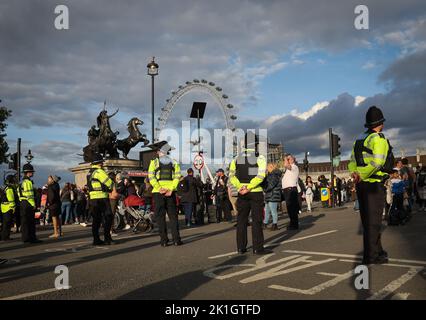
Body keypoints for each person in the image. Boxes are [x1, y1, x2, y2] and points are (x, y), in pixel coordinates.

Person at [349, 105, 394, 265]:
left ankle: (378, 251)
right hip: (374, 184)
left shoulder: (359, 139)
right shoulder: (378, 139)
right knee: (374, 222)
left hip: (361, 185)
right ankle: (371, 256)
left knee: (368, 220)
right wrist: (362, 175)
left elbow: (352, 161)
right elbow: (377, 162)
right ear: (380, 123)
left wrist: (355, 175)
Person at [229, 132, 268, 255]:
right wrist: (250, 186)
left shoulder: (236, 158)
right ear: (255, 144)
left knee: (241, 221)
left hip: (242, 193)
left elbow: (231, 176)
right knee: (256, 221)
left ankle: (241, 247)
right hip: (255, 192)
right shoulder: (260, 158)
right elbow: (261, 176)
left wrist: (240, 187)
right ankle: (257, 248)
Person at [147, 141, 182, 247]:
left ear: (159, 151)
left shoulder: (154, 162)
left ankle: (164, 241)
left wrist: (159, 188)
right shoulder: (174, 162)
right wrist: (171, 189)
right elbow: (177, 177)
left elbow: (151, 177)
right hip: (170, 193)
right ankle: (176, 240)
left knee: (160, 218)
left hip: (158, 193)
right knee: (173, 217)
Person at [87, 154, 114, 245]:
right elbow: (110, 183)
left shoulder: (90, 172)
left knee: (96, 220)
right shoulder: (99, 172)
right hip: (102, 197)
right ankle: (107, 238)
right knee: (108, 217)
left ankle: (96, 239)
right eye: (102, 162)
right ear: (99, 163)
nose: (102, 164)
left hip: (93, 199)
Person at [19, 163, 42, 243]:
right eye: (31, 172)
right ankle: (32, 238)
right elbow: (30, 195)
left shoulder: (22, 182)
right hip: (28, 203)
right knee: (31, 222)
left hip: (23, 203)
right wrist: (33, 204)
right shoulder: (28, 182)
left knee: (25, 222)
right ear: (28, 172)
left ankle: (25, 238)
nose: (33, 173)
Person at [282, 154, 300, 230]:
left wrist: (286, 158)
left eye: (289, 159)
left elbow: (286, 165)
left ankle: (294, 225)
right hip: (288, 189)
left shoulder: (294, 167)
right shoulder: (290, 168)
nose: (287, 160)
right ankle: (293, 223)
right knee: (290, 208)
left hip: (290, 189)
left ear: (292, 160)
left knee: (291, 208)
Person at [262, 163, 282, 231]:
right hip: (270, 195)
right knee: (267, 210)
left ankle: (275, 224)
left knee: (273, 211)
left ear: (271, 167)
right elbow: (267, 184)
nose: (266, 169)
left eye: (267, 167)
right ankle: (265, 223)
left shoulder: (274, 175)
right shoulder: (270, 175)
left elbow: (271, 185)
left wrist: (265, 189)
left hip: (273, 195)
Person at [1, 175, 17, 241]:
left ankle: (3, 236)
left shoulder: (4, 187)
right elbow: (11, 199)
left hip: (3, 207)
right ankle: (6, 237)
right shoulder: (10, 188)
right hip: (8, 208)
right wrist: (13, 208)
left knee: (4, 223)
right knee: (7, 223)